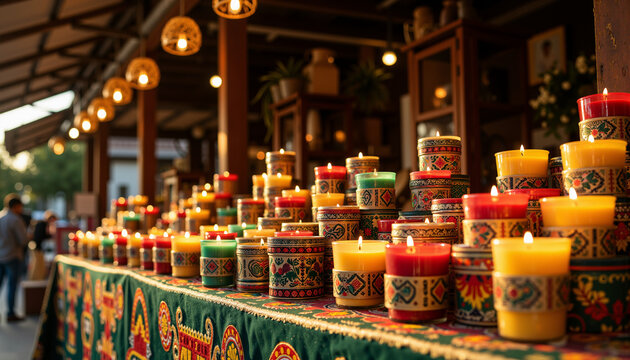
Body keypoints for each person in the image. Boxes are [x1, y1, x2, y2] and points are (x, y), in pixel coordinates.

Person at [0, 194, 29, 322]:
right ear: (16, 206)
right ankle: (10, 313)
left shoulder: (1, 216)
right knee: (12, 285)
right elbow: (23, 240)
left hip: (0, 254)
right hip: (12, 255)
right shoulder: (15, 220)